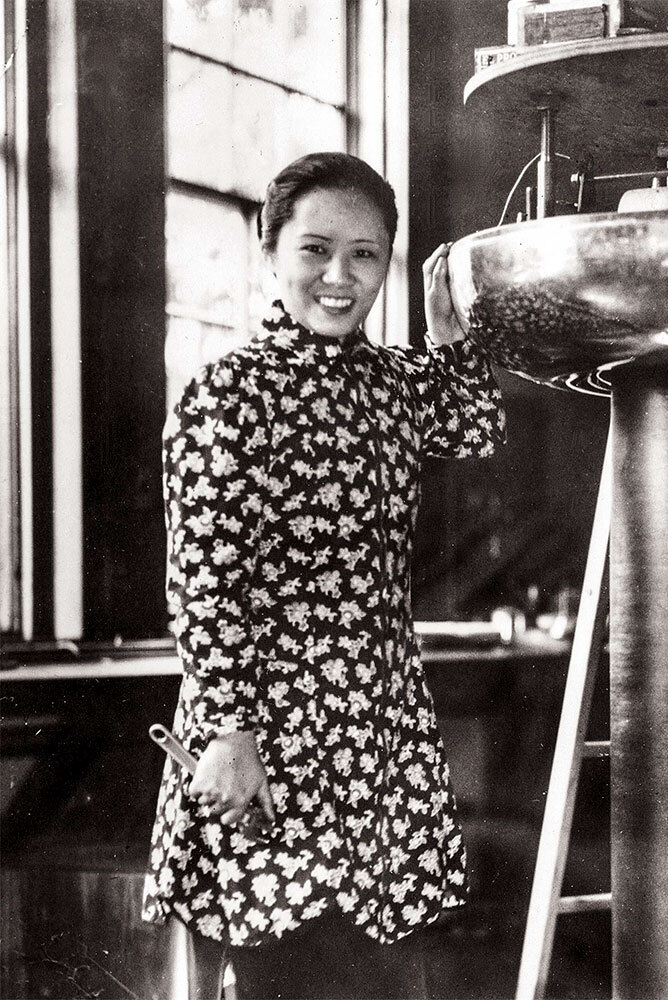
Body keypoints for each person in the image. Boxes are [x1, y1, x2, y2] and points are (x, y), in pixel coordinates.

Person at [143, 152, 506, 999]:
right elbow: (204, 574)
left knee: (378, 973)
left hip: (377, 738)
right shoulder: (227, 394)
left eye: (365, 254)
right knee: (288, 968)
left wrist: (447, 333)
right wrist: (229, 732)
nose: (339, 277)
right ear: (270, 253)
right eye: (314, 250)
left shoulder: (390, 386)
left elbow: (476, 425)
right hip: (270, 737)